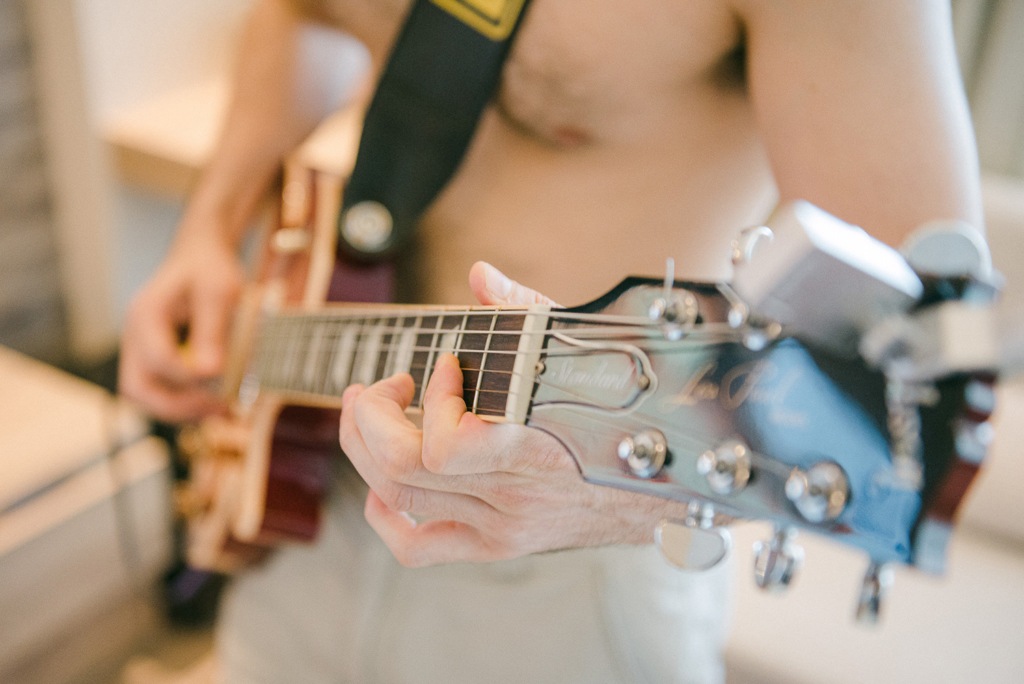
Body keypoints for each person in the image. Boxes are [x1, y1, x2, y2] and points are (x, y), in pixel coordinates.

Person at [120, 1, 983, 682]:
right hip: (309, 495)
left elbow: (912, 377)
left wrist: (620, 497)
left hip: (573, 561)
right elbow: (302, 14)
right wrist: (208, 226)